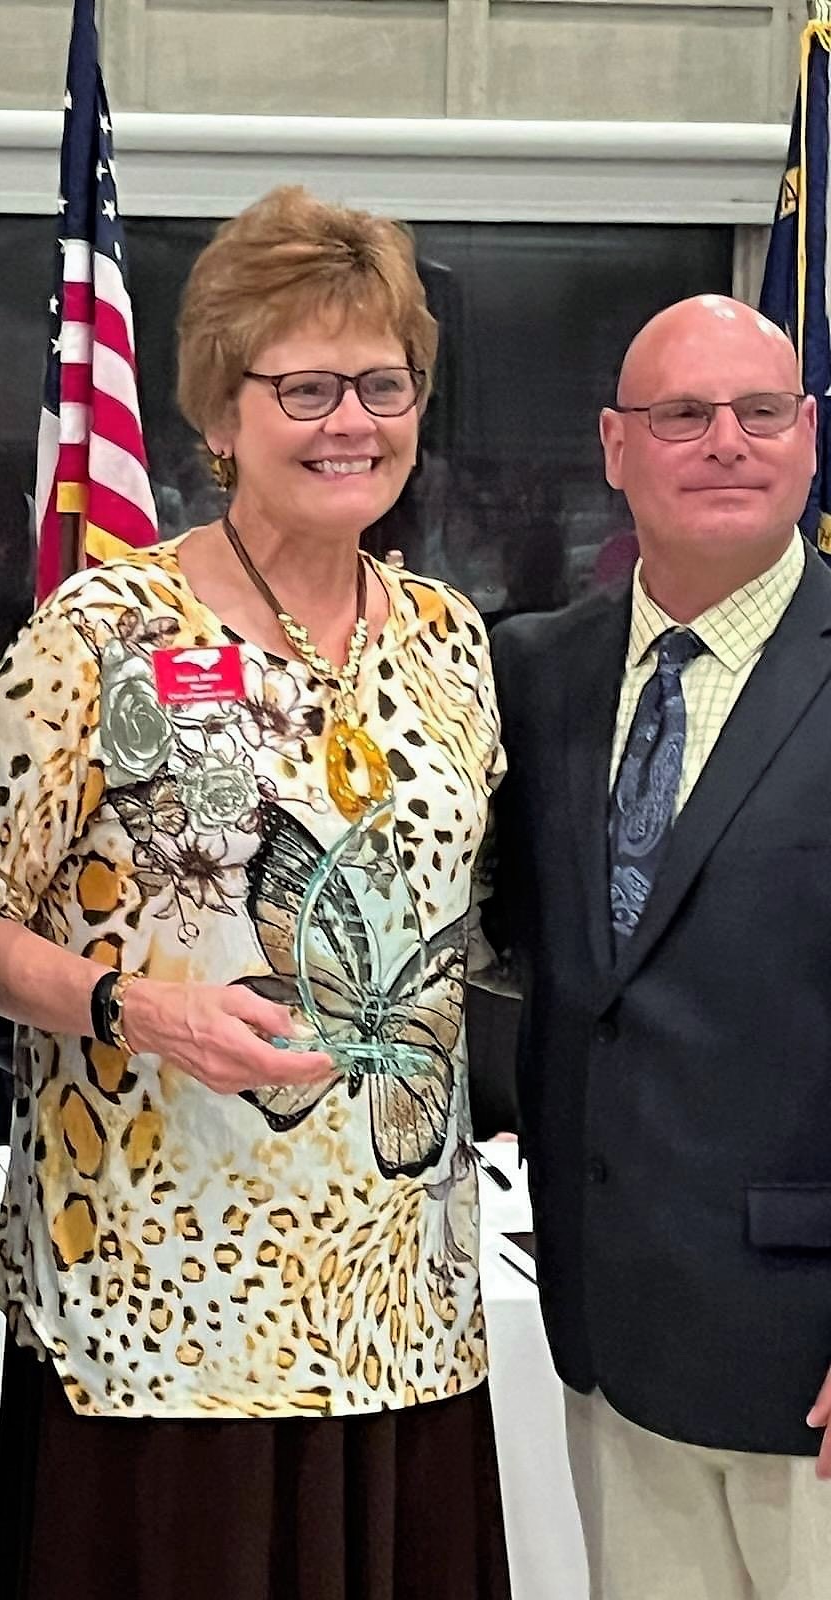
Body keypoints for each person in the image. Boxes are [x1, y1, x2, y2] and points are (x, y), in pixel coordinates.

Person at [0, 186, 510, 1600]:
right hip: (160, 1315)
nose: (352, 422)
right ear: (218, 410)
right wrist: (128, 1006)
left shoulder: (452, 640)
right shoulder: (102, 635)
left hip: (402, 1301)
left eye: (383, 384)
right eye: (306, 385)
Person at [489, 293, 831, 1598]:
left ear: (808, 438)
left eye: (760, 413)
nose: (725, 443)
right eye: (682, 416)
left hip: (808, 1364)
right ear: (616, 448)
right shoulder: (538, 671)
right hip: (615, 1344)